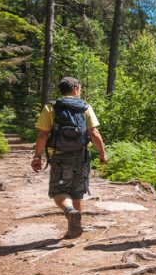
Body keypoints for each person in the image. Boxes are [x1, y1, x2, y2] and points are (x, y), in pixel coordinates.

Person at [31, 77, 107, 238]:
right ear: (75, 89)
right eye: (80, 88)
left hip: (60, 156)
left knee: (58, 191)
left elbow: (43, 135)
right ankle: (74, 227)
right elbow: (94, 133)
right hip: (81, 156)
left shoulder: (51, 107)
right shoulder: (85, 107)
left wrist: (37, 156)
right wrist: (102, 153)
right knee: (77, 192)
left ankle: (69, 210)